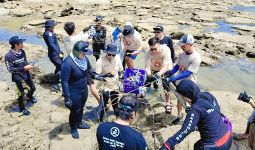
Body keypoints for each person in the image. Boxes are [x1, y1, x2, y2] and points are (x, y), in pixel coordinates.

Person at [160, 80, 232, 150]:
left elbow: (185, 131)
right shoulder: (207, 96)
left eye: (182, 96)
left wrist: (167, 145)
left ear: (187, 96)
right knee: (198, 144)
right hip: (228, 137)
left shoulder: (194, 110)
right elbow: (215, 112)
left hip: (217, 146)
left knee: (198, 147)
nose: (182, 98)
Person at [61, 41, 104, 139]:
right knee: (74, 111)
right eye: (83, 53)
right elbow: (64, 81)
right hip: (73, 91)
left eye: (85, 54)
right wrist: (67, 97)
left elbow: (90, 70)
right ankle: (73, 128)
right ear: (76, 52)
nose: (84, 55)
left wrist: (97, 76)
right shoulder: (67, 63)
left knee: (81, 108)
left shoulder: (84, 59)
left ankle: (79, 123)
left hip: (83, 89)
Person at [163, 34, 201, 118]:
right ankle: (180, 115)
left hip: (189, 84)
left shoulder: (196, 57)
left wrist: (172, 78)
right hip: (180, 82)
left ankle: (196, 117)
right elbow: (177, 66)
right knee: (179, 99)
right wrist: (170, 72)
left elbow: (188, 73)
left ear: (190, 44)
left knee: (191, 102)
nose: (181, 47)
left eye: (183, 45)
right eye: (181, 45)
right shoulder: (181, 53)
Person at [63, 22, 100, 102]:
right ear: (74, 29)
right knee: (91, 83)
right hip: (81, 62)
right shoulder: (80, 37)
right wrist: (92, 27)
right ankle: (100, 100)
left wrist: (83, 31)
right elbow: (92, 34)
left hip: (72, 63)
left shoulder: (65, 39)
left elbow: (75, 36)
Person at [4, 36, 37, 116]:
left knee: (33, 88)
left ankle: (29, 96)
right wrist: (24, 68)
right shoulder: (8, 56)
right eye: (21, 42)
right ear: (16, 45)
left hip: (26, 73)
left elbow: (25, 61)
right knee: (21, 94)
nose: (23, 44)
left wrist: (29, 66)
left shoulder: (22, 51)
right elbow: (10, 69)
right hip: (17, 77)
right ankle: (22, 108)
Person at [144, 37, 173, 113]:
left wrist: (158, 75)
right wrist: (150, 75)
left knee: (166, 85)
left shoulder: (166, 50)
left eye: (155, 49)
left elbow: (165, 66)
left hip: (165, 69)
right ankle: (142, 97)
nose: (153, 51)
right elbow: (147, 67)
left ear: (159, 45)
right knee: (147, 82)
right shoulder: (147, 52)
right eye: (151, 49)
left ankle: (168, 103)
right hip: (154, 68)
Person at [96, 43, 123, 121]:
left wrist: (121, 78)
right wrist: (105, 76)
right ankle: (100, 121)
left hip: (115, 85)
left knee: (115, 103)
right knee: (103, 105)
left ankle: (118, 119)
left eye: (113, 55)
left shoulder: (117, 58)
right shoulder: (100, 61)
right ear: (106, 53)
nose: (111, 56)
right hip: (104, 86)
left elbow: (121, 70)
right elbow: (97, 76)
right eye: (109, 54)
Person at [43, 20, 63, 92]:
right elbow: (51, 44)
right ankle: (55, 84)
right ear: (50, 27)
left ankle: (56, 81)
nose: (54, 27)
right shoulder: (49, 34)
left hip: (54, 53)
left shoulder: (48, 33)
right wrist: (58, 52)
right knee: (62, 67)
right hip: (54, 55)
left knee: (58, 67)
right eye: (53, 26)